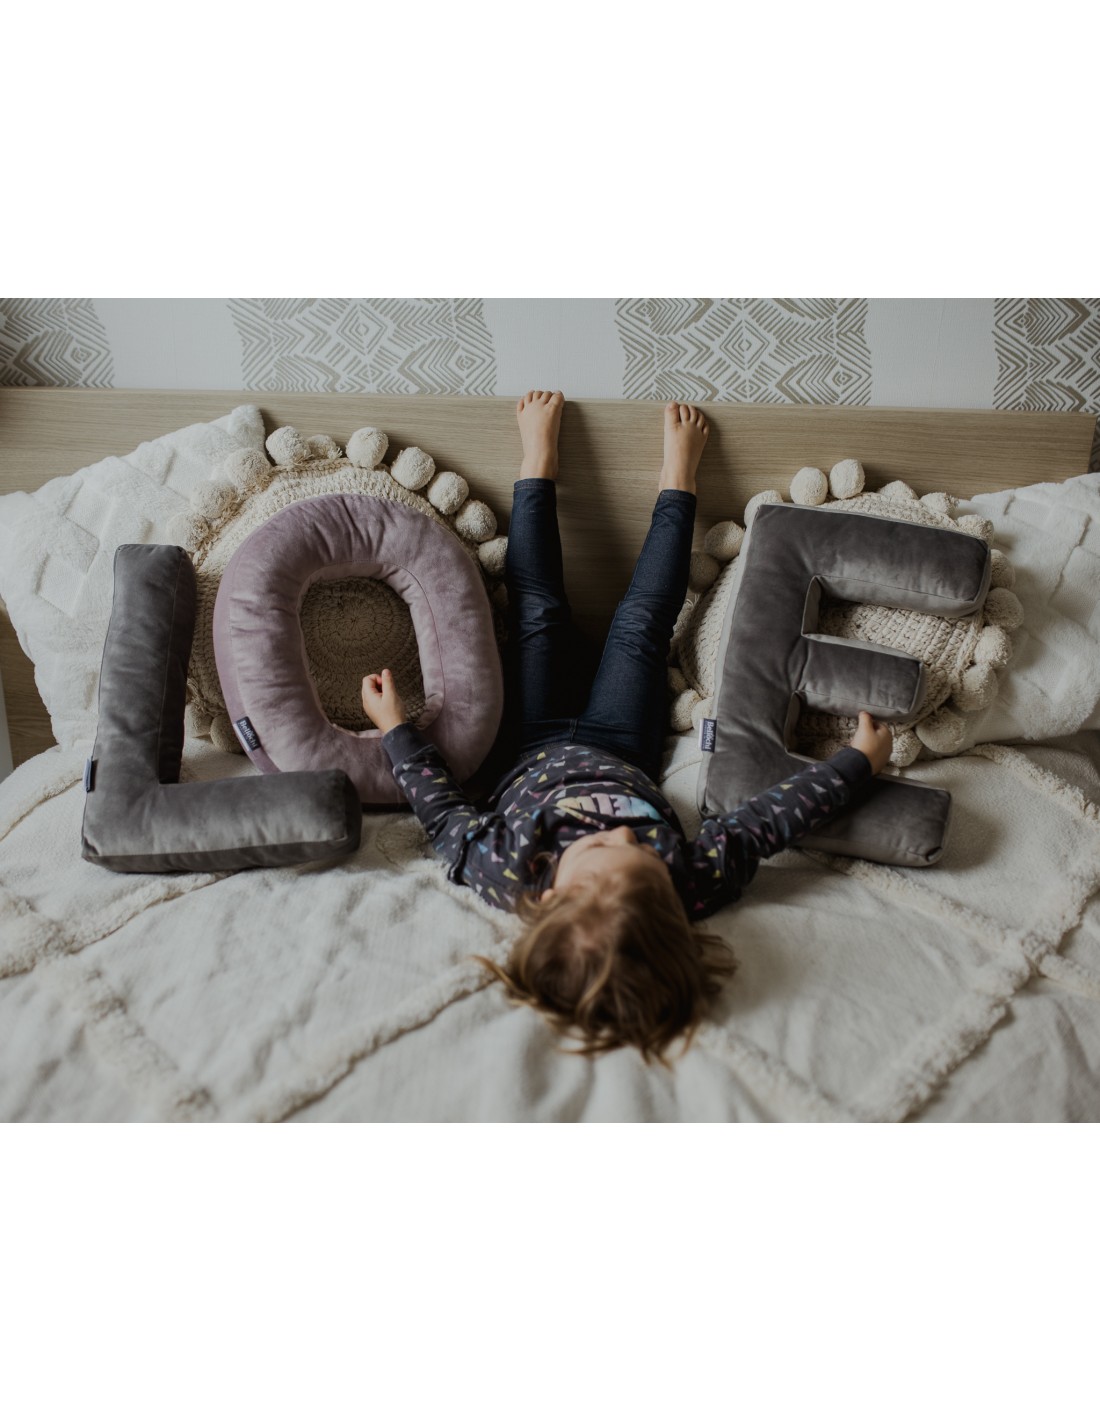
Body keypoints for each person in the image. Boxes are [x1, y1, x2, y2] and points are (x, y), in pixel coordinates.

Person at [362, 391, 893, 1066]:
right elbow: (767, 822)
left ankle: (537, 464)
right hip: (622, 744)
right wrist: (855, 764)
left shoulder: (507, 869)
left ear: (548, 897)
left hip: (530, 744)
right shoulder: (688, 881)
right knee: (642, 622)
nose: (619, 834)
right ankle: (679, 479)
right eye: (640, 853)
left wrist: (396, 730)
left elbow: (442, 814)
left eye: (598, 851)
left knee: (536, 612)